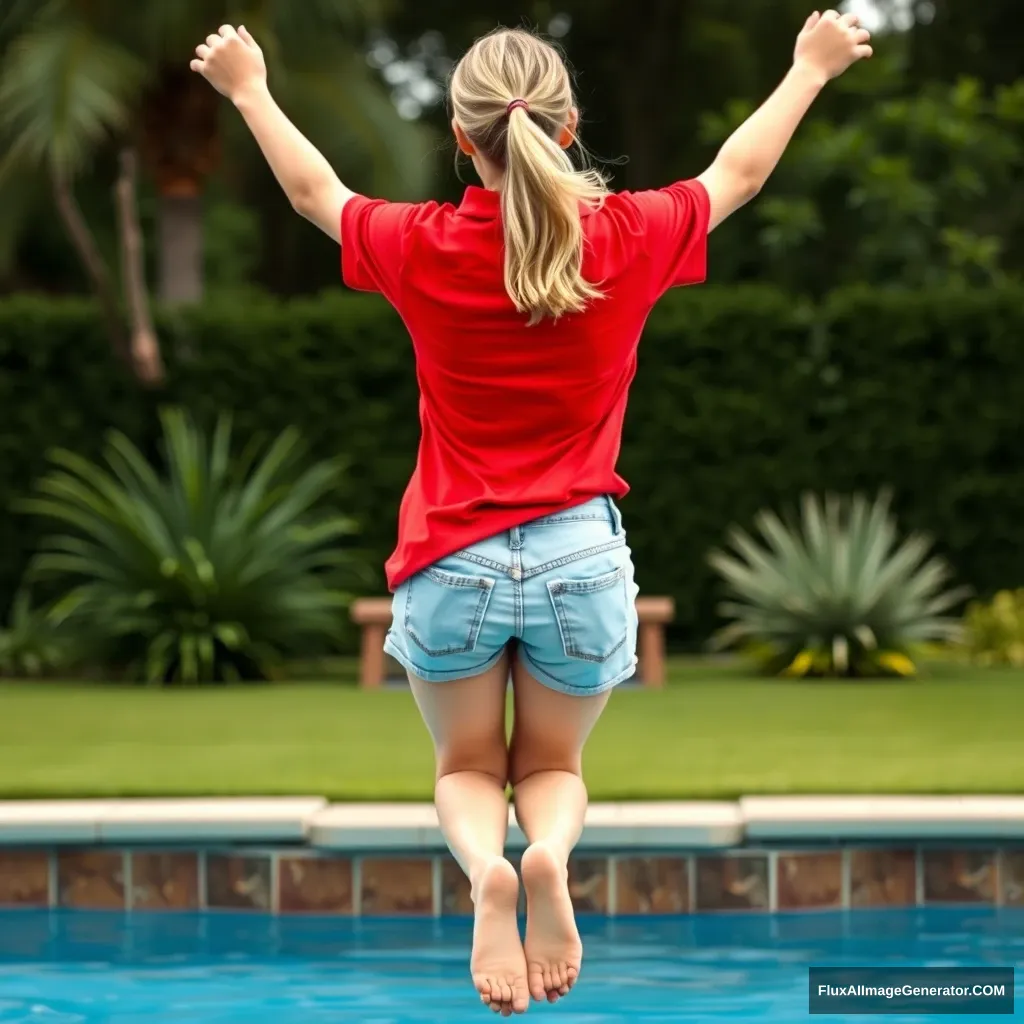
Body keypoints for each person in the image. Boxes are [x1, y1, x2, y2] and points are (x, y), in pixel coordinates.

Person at [191, 11, 871, 1016]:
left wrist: (249, 88)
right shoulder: (627, 234)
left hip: (448, 560)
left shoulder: (422, 244)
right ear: (566, 127)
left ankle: (489, 877)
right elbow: (738, 174)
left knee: (465, 767)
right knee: (552, 765)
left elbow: (311, 193)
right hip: (578, 561)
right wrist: (809, 69)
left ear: (463, 140)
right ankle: (544, 855)